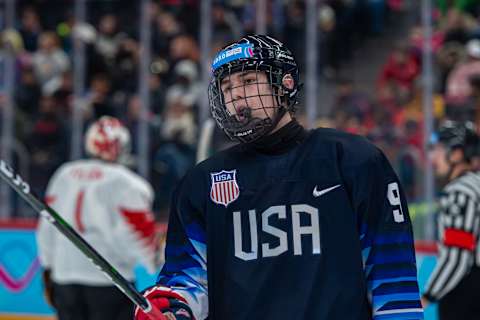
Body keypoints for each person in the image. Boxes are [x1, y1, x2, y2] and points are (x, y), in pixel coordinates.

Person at [135, 34, 423, 320]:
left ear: (284, 84)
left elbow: (391, 274)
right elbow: (188, 279)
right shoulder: (202, 183)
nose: (235, 94)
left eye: (247, 81)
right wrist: (173, 308)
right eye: (226, 86)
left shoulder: (352, 160)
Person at [36, 116, 157, 320]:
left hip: (65, 277)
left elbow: (47, 228)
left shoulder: (64, 174)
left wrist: (48, 268)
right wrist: (153, 261)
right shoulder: (129, 183)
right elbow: (135, 235)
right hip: (111, 281)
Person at [423, 120, 480, 319]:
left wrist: (427, 296)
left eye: (438, 150)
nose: (433, 158)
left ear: (456, 153)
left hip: (466, 295)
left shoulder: (459, 193)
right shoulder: (476, 184)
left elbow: (457, 256)